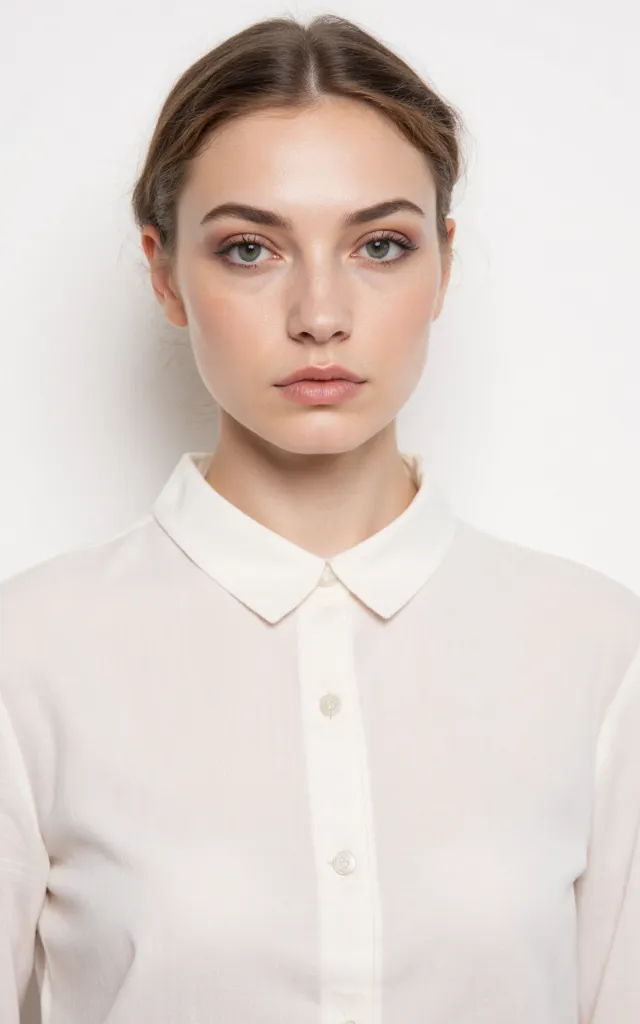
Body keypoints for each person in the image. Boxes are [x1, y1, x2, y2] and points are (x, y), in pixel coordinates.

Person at [1, 12, 638, 1024]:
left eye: (380, 244)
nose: (320, 313)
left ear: (442, 264)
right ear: (164, 271)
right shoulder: (27, 655)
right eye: (250, 249)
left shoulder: (598, 652)